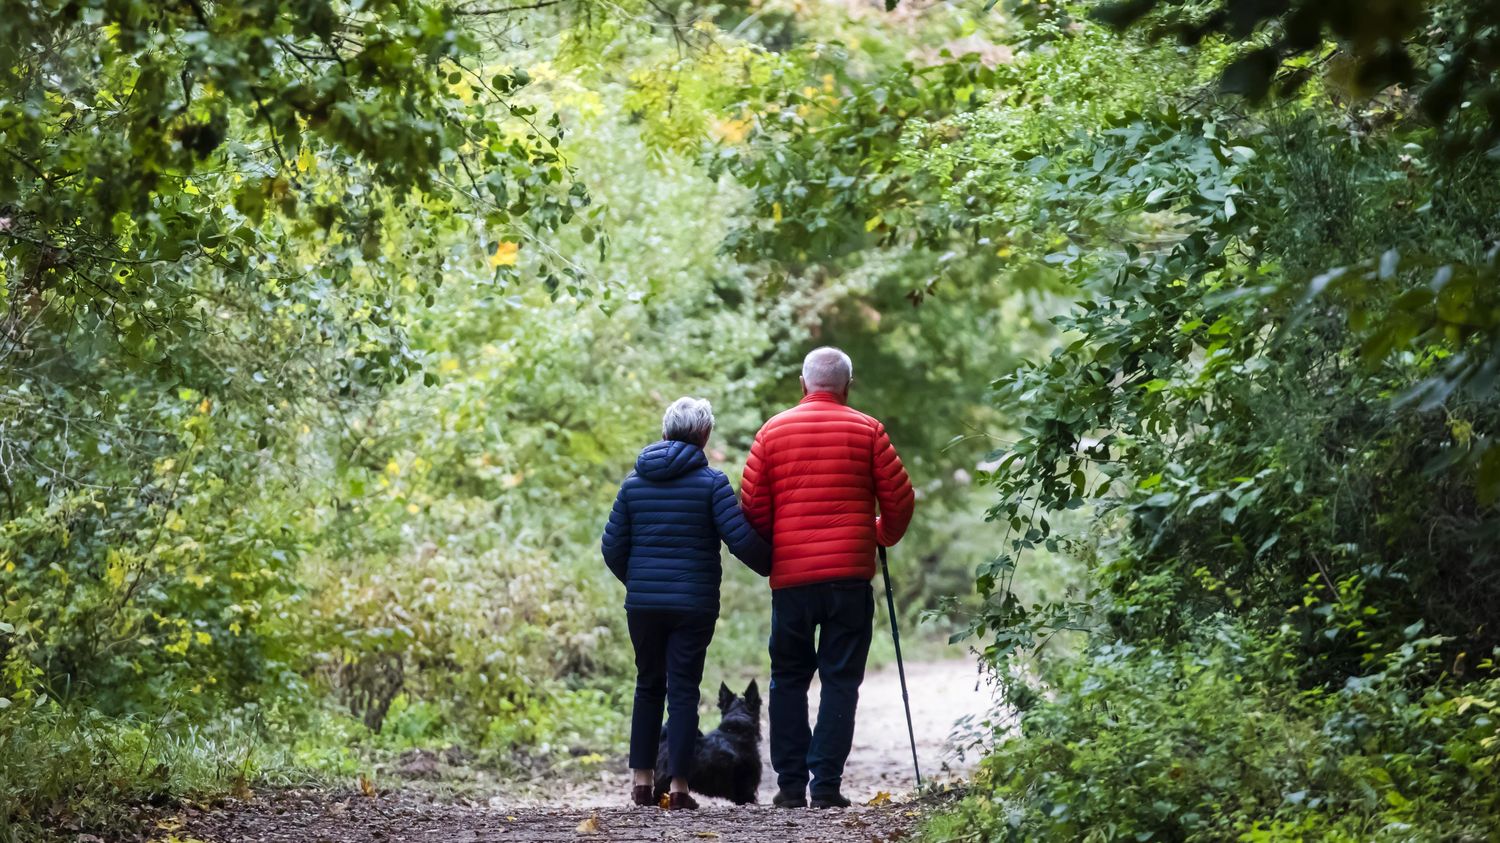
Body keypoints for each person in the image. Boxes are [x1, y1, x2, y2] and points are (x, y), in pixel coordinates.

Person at [739, 347, 915, 809]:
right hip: (849, 580)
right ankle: (827, 786)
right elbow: (900, 500)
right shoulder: (868, 430)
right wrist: (879, 535)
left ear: (803, 384)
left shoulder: (771, 432)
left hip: (792, 581)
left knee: (788, 679)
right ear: (847, 386)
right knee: (840, 681)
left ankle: (790, 786)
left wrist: (781, 547)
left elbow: (752, 509)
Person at [602, 397, 771, 810]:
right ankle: (677, 789)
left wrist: (639, 583)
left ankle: (642, 784)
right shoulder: (712, 483)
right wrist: (776, 565)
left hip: (643, 606)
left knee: (647, 686)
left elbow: (611, 548)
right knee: (682, 691)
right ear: (704, 435)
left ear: (664, 432)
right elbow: (740, 540)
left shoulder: (632, 484)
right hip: (693, 605)